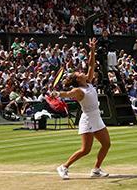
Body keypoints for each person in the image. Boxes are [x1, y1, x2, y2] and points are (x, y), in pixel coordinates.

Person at [54, 38, 111, 180]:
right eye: (79, 73)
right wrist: (58, 94)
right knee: (86, 150)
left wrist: (92, 50)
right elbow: (68, 94)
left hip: (96, 118)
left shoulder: (88, 83)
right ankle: (64, 167)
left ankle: (96, 169)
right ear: (78, 79)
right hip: (87, 120)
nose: (82, 72)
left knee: (106, 144)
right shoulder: (79, 90)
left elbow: (91, 65)